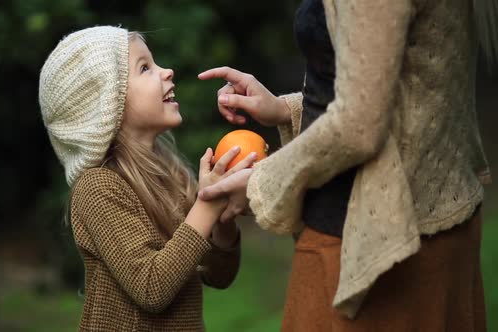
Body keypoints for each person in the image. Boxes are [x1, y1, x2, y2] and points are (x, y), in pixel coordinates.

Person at [198, 0, 496, 330]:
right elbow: (405, 92)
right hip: (422, 227)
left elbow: (358, 127)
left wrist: (260, 182)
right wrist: (288, 109)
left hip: (373, 249)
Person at [38, 26, 257, 331]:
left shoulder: (172, 174)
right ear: (106, 104)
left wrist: (222, 221)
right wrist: (207, 206)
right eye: (145, 68)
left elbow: (219, 276)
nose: (166, 71)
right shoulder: (98, 188)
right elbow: (151, 288)